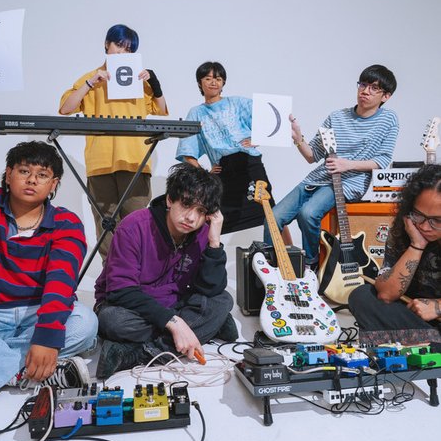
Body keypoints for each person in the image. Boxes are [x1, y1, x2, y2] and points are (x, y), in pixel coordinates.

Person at [0, 39, 98, 403]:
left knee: (85, 324)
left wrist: (46, 336)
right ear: (8, 175)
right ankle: (22, 370)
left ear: (54, 185)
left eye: (42, 175)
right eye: (23, 171)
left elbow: (60, 281)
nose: (31, 180)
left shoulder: (66, 224)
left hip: (32, 314)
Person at [94, 163, 238, 379]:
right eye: (186, 205)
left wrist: (214, 242)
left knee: (223, 300)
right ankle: (206, 327)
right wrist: (175, 323)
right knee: (112, 320)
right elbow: (120, 291)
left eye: (201, 211)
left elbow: (211, 289)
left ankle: (140, 354)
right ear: (170, 200)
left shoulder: (203, 232)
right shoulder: (133, 226)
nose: (191, 218)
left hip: (173, 304)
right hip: (132, 307)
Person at [269, 64, 399, 269]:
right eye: (363, 85)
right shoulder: (337, 117)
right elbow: (312, 156)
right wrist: (297, 137)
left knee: (308, 213)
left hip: (350, 182)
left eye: (374, 88)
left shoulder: (388, 120)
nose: (365, 91)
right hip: (319, 178)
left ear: (386, 96)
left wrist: (347, 165)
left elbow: (382, 161)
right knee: (273, 217)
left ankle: (310, 264)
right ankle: (271, 268)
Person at [59, 24, 168, 262]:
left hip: (134, 161)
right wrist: (91, 83)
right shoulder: (91, 78)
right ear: (106, 44)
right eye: (119, 45)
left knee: (137, 225)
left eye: (129, 49)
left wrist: (155, 83)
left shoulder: (139, 80)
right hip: (100, 162)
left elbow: (161, 111)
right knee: (106, 227)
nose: (122, 52)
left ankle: (137, 277)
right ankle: (110, 281)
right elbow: (66, 108)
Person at [176, 61, 292, 243]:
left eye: (218, 78)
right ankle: (208, 257)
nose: (214, 82)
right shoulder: (196, 112)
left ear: (223, 82)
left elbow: (271, 114)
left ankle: (291, 256)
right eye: (208, 78)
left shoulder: (236, 103)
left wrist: (258, 138)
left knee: (271, 212)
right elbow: (187, 151)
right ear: (199, 83)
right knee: (213, 217)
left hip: (249, 165)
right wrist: (204, 173)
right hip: (224, 170)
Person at [349, 164, 441, 345]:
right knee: (362, 296)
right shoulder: (403, 232)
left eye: (436, 221)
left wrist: (437, 307)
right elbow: (386, 294)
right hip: (418, 321)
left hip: (429, 319)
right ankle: (427, 345)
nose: (424, 226)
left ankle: (418, 345)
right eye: (418, 214)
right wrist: (416, 245)